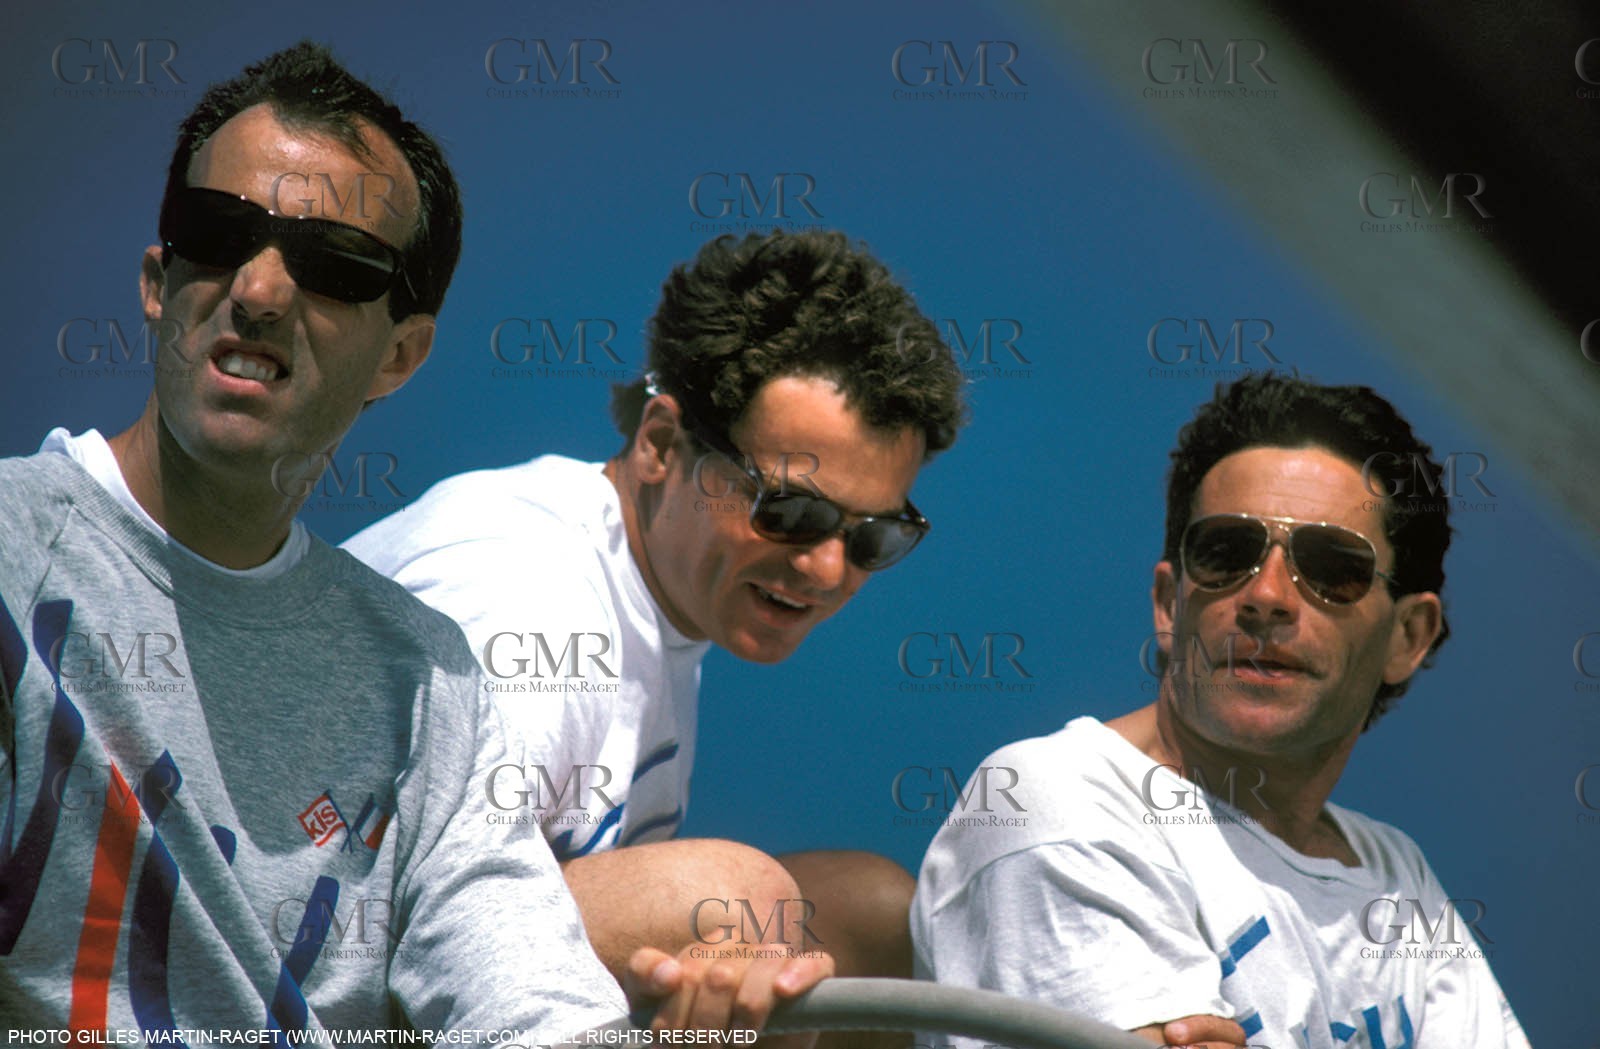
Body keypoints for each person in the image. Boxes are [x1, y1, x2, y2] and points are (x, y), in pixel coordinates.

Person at [0, 42, 820, 1041]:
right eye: (220, 235)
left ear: (402, 352)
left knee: (840, 916)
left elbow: (525, 1003)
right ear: (158, 281)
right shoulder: (15, 554)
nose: (258, 289)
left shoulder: (427, 679)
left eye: (333, 266)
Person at [344, 230, 967, 990]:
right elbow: (369, 938)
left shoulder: (655, 590)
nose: (829, 566)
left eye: (874, 535)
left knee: (868, 916)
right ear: (662, 443)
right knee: (741, 902)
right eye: (793, 510)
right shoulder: (527, 604)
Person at [910, 374, 1530, 1048]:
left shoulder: (1396, 873)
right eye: (1226, 553)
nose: (1267, 595)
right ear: (1168, 603)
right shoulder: (1054, 801)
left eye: (1331, 567)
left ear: (1408, 636)